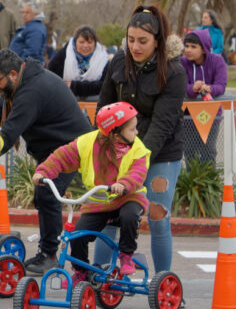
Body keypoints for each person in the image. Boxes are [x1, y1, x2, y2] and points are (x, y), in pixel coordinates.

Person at [95, 5, 187, 273]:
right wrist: (101, 147)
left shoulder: (174, 72)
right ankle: (100, 276)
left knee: (157, 217)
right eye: (131, 40)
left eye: (143, 41)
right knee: (110, 214)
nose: (135, 46)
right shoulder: (118, 63)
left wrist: (138, 159)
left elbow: (163, 123)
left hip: (161, 153)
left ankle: (163, 283)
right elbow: (104, 109)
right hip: (119, 151)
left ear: (158, 42)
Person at [0, 48, 92, 275]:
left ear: (13, 74)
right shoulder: (18, 83)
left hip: (70, 147)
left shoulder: (31, 91)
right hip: (51, 147)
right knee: (43, 194)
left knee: (46, 193)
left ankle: (50, 255)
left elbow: (9, 134)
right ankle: (48, 252)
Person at [32, 102, 150, 277]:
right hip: (98, 204)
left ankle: (126, 255)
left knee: (130, 216)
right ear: (115, 133)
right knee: (77, 234)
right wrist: (43, 172)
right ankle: (81, 271)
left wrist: (124, 184)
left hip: (128, 197)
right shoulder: (86, 143)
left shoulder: (138, 149)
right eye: (133, 129)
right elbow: (61, 157)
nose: (137, 132)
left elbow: (138, 172)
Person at [180, 28, 228, 165]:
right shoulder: (182, 63)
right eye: (187, 46)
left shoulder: (217, 61)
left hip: (211, 115)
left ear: (203, 49)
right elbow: (181, 86)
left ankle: (207, 183)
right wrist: (192, 88)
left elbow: (221, 85)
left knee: (209, 151)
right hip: (187, 115)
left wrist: (210, 88)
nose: (188, 50)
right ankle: (192, 184)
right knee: (189, 152)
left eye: (193, 47)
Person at [47, 25, 110, 100]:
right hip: (66, 100)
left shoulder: (103, 59)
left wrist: (74, 86)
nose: (86, 46)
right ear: (75, 42)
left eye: (89, 42)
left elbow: (105, 86)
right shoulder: (63, 55)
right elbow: (51, 80)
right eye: (81, 42)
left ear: (95, 43)